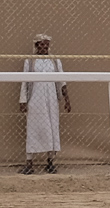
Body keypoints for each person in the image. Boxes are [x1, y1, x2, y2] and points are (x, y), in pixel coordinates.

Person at [19, 33, 71, 174]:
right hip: (35, 99)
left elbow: (62, 81)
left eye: (47, 44)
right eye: (42, 44)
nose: (45, 47)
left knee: (52, 127)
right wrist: (23, 100)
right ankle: (29, 163)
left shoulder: (55, 61)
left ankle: (50, 162)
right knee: (34, 128)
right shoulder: (30, 62)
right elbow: (24, 82)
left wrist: (67, 100)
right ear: (36, 45)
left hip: (51, 99)